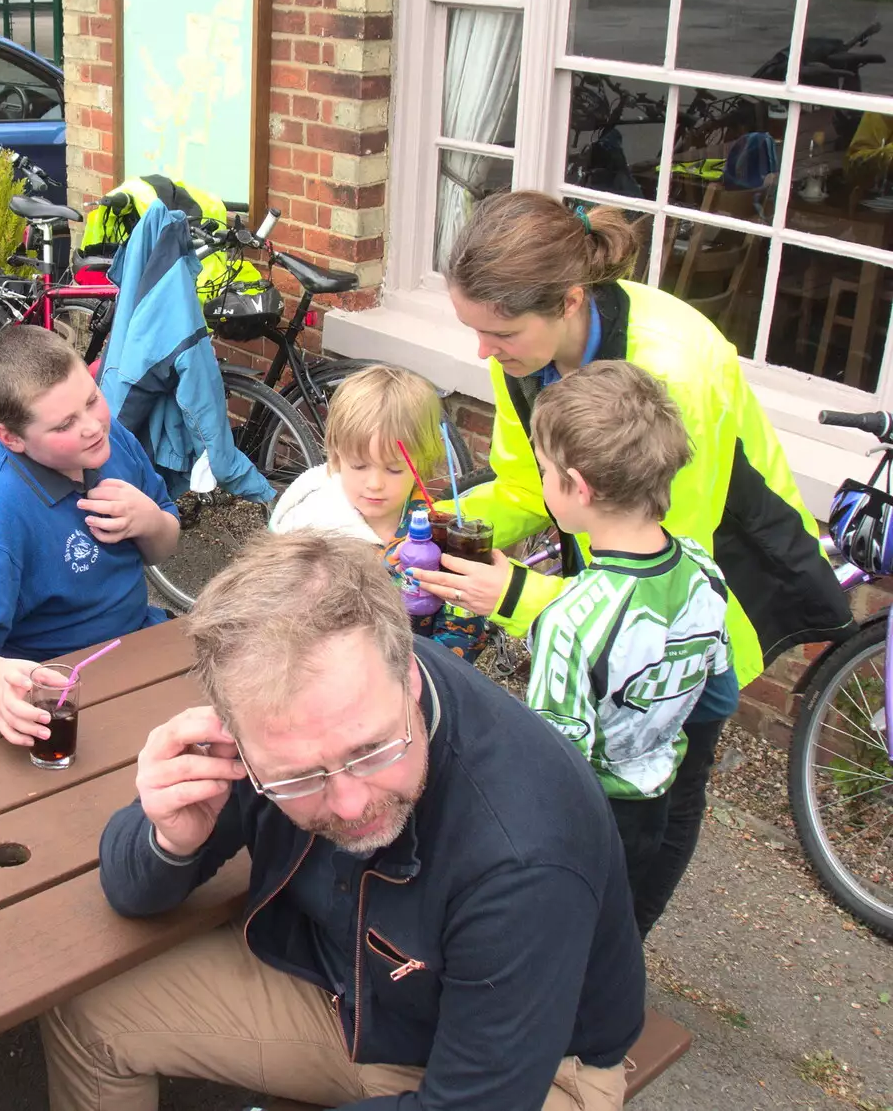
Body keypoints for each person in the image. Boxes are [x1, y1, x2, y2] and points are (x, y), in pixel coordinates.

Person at [44, 533, 645, 1111]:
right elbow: (129, 890)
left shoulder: (523, 853)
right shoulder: (282, 720)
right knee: (87, 1013)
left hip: (532, 1075)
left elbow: (479, 1101)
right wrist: (170, 841)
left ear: (408, 674)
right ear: (236, 737)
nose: (351, 804)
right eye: (297, 777)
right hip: (343, 989)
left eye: (372, 750)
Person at [411, 190, 853, 932]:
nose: (483, 352)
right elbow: (526, 485)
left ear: (571, 300)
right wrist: (443, 523)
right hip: (611, 589)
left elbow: (665, 585)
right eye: (473, 331)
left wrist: (517, 591)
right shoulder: (523, 346)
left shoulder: (673, 372)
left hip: (710, 579)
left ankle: (623, 941)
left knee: (668, 778)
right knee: (600, 787)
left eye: (500, 333)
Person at [523, 361, 733, 937]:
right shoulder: (704, 572)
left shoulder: (569, 622)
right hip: (654, 802)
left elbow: (553, 767)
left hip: (586, 821)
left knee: (562, 938)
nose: (542, 482)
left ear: (579, 486)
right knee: (616, 931)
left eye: (544, 471)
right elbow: (716, 682)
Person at [0, 323, 180, 748]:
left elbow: (164, 545)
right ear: (10, 438)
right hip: (60, 687)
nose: (92, 426)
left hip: (141, 641)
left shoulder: (109, 438)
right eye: (65, 424)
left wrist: (151, 522)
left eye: (92, 399)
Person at [270, 363, 486, 659]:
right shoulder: (310, 524)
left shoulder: (439, 534)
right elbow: (275, 615)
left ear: (421, 464)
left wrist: (427, 675)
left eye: (394, 469)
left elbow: (462, 627)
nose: (374, 484)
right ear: (336, 455)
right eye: (359, 466)